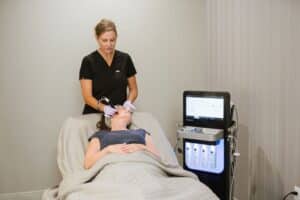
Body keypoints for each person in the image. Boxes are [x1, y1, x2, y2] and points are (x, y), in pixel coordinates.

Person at [79, 18, 138, 117]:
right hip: (94, 115)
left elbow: (133, 89)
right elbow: (87, 97)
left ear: (116, 38)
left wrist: (128, 102)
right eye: (104, 40)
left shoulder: (125, 59)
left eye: (112, 40)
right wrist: (104, 108)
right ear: (97, 38)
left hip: (118, 115)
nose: (109, 44)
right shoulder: (88, 61)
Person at [84, 106, 160, 169]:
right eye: (121, 107)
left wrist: (141, 147)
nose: (126, 108)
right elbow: (87, 163)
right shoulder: (100, 135)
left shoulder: (141, 132)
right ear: (111, 115)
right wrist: (108, 150)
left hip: (143, 167)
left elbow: (159, 158)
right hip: (113, 169)